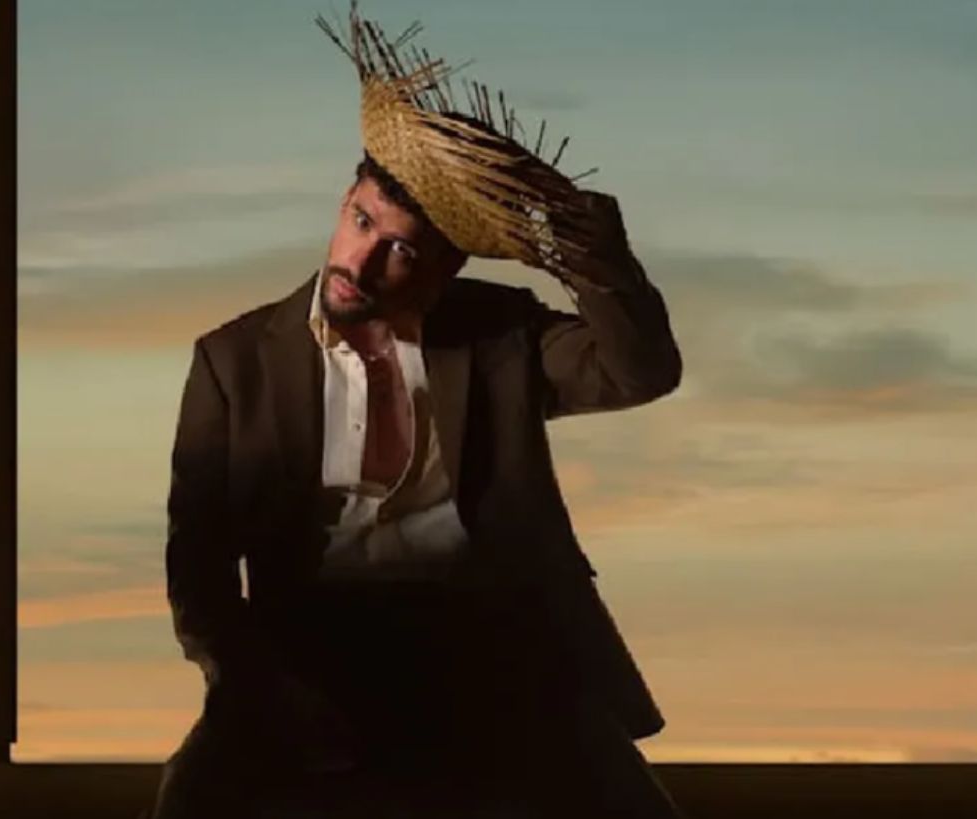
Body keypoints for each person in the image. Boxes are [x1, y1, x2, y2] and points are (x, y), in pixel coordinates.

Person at [150, 4, 687, 816]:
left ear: (444, 269)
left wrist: (594, 254)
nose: (360, 261)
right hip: (307, 647)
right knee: (191, 799)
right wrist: (250, 681)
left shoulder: (500, 333)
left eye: (399, 248)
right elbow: (198, 562)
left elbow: (638, 371)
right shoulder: (233, 362)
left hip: (494, 648)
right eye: (360, 220)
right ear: (344, 200)